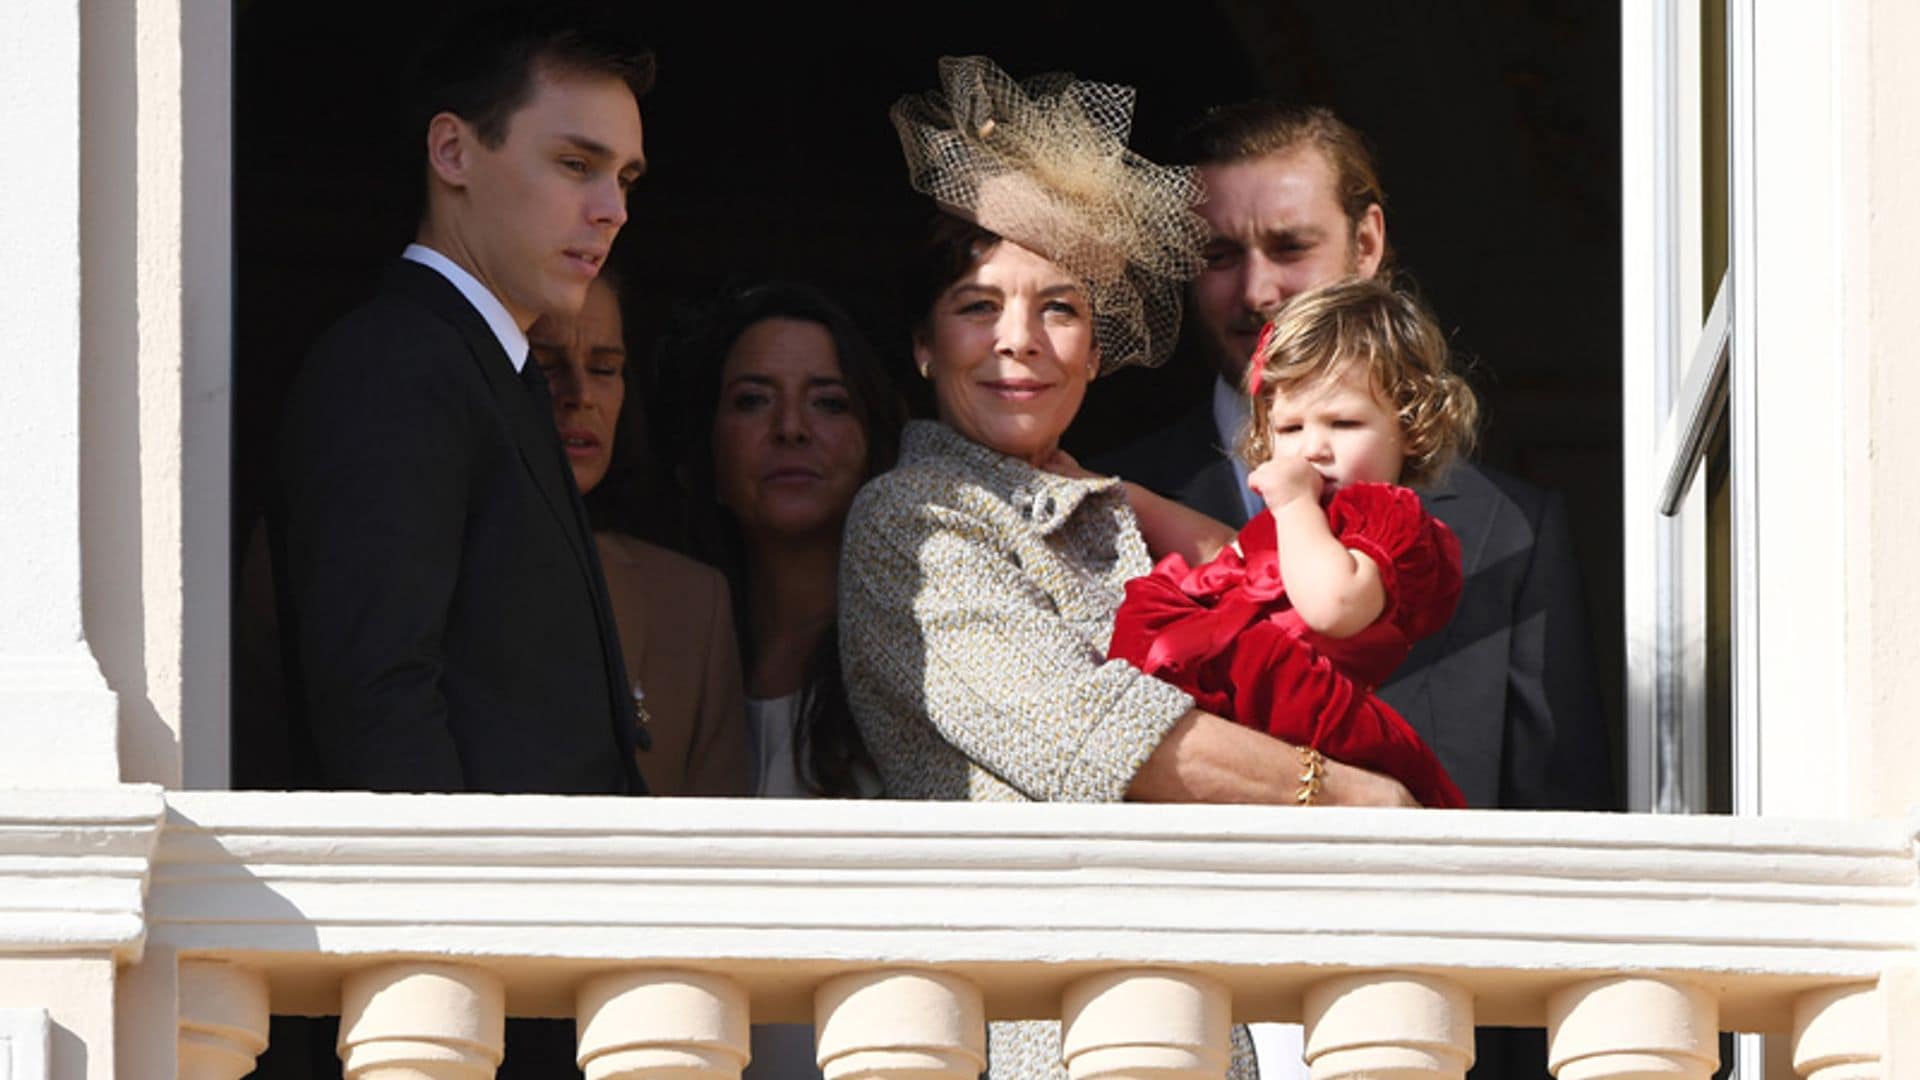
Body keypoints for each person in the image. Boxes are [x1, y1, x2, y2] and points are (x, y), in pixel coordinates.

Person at [838, 56, 1415, 1080]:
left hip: (1181, 1019)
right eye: (978, 306)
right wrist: (1347, 797)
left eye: (1059, 307)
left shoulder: (1106, 516)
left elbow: (1282, 610)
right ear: (922, 346)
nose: (1020, 343)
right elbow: (1087, 735)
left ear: (1097, 352)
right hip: (1028, 1034)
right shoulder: (907, 519)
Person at [1095, 102, 1614, 815]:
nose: (1257, 291)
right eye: (1219, 256)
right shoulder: (1112, 495)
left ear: (1367, 243)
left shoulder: (1513, 528)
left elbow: (1564, 810)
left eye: (1289, 247)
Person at [275, 11, 652, 797]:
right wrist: (453, 920)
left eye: (624, 178)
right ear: (453, 151)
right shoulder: (398, 363)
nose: (612, 209)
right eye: (576, 163)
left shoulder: (480, 366)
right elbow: (378, 703)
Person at [1108, 279, 1479, 810]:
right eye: (1290, 427)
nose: (1313, 449)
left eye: (1344, 423)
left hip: (1304, 716)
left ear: (1411, 426)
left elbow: (1334, 606)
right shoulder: (1309, 522)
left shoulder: (1388, 517)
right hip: (1243, 709)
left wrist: (1293, 507)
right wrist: (1123, 497)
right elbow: (1222, 554)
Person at [670, 282, 902, 800]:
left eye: (829, 402)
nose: (791, 428)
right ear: (706, 446)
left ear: (873, 439)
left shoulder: (916, 652)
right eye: (753, 401)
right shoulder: (668, 653)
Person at [528, 274, 751, 796]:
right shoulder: (437, 570)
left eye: (605, 369)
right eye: (544, 366)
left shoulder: (692, 601)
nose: (579, 395)